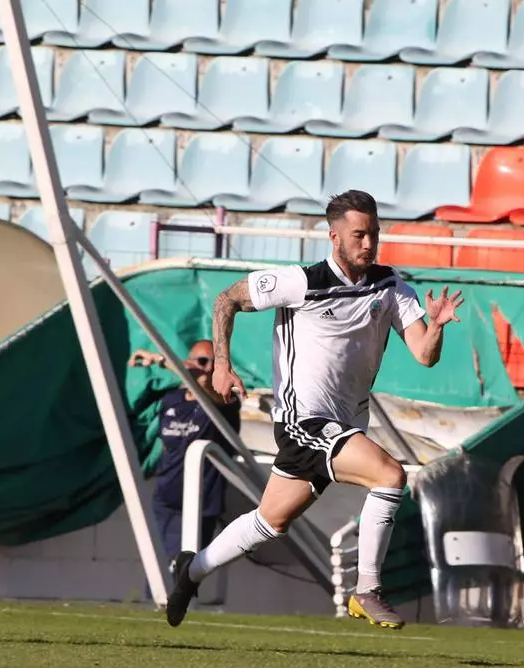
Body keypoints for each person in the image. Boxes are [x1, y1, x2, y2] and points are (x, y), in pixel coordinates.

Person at [164, 189, 463, 630]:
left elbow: (424, 355)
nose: (368, 243)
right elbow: (227, 299)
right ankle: (367, 589)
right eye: (359, 235)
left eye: (374, 234)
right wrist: (222, 365)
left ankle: (191, 570)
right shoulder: (302, 282)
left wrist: (435, 326)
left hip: (343, 424)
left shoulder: (390, 286)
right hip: (303, 420)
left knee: (271, 521)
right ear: (334, 237)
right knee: (389, 476)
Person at [131, 340, 242, 567]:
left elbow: (214, 398)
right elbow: (167, 445)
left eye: (215, 364)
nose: (209, 369)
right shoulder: (172, 401)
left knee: (180, 569)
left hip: (200, 505)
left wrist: (164, 362)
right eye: (202, 362)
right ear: (189, 363)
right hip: (166, 500)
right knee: (158, 567)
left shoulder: (226, 402)